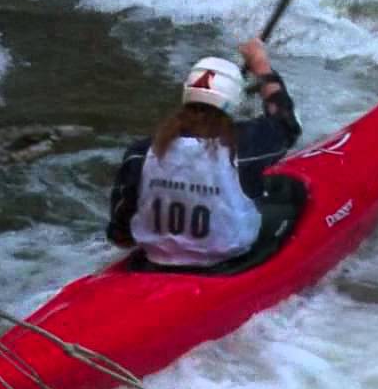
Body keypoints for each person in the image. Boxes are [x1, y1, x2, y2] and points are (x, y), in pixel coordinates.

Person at [106, 38, 301, 267]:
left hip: (157, 260)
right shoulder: (244, 147)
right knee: (288, 194)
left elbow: (119, 234)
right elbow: (286, 123)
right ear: (234, 102)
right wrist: (261, 66)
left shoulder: (140, 152)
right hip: (228, 263)